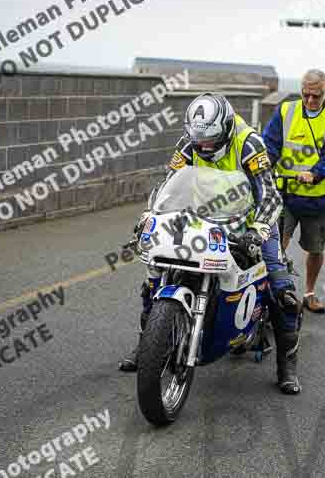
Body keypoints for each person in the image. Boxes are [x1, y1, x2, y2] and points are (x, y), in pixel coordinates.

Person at [119, 93, 303, 395]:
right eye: (198, 140)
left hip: (251, 221)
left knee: (281, 288)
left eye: (210, 140)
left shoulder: (249, 144)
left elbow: (270, 195)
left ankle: (287, 364)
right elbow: (168, 185)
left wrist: (257, 231)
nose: (203, 147)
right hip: (202, 217)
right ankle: (148, 344)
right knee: (155, 275)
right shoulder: (189, 142)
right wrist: (151, 215)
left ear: (227, 127)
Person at [263, 69, 325, 314]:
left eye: (316, 96)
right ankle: (272, 293)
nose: (310, 100)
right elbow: (270, 144)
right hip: (285, 194)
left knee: (315, 249)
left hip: (318, 197)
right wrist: (263, 165)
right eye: (306, 94)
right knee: (274, 246)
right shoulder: (286, 111)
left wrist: (316, 172)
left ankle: (309, 293)